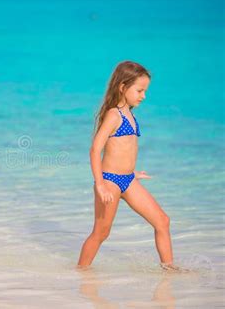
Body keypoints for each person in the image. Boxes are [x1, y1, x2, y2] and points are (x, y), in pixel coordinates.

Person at [77, 61, 182, 271]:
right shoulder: (114, 115)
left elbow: (121, 149)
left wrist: (131, 172)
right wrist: (100, 184)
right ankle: (81, 272)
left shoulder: (130, 115)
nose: (143, 96)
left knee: (162, 221)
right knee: (101, 233)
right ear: (123, 87)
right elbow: (95, 150)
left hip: (128, 180)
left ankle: (169, 271)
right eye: (140, 90)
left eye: (145, 91)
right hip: (109, 182)